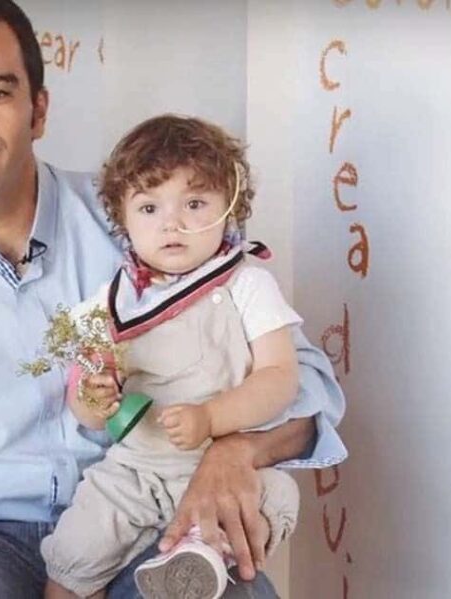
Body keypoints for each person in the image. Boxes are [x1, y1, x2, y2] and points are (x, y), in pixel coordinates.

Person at [0, 1, 347, 598]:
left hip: (149, 519)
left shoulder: (145, 217)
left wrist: (237, 449)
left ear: (38, 110)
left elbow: (308, 387)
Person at [40, 115, 306, 599]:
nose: (172, 223)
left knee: (275, 496)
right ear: (121, 219)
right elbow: (88, 413)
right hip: (134, 471)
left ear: (230, 207)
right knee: (74, 556)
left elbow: (280, 376)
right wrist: (94, 398)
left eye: (195, 204)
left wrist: (212, 417)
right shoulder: (111, 303)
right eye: (149, 207)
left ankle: (200, 557)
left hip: (218, 468)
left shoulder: (248, 284)